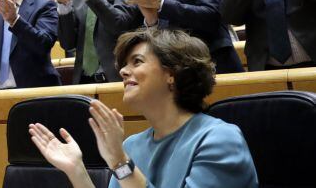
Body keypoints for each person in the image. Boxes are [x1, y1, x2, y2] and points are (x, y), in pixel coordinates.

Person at [28, 29, 258, 188]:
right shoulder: (132, 145)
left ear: (172, 73)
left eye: (137, 62)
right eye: (124, 64)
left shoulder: (219, 139)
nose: (123, 72)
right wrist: (76, 170)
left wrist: (120, 163)